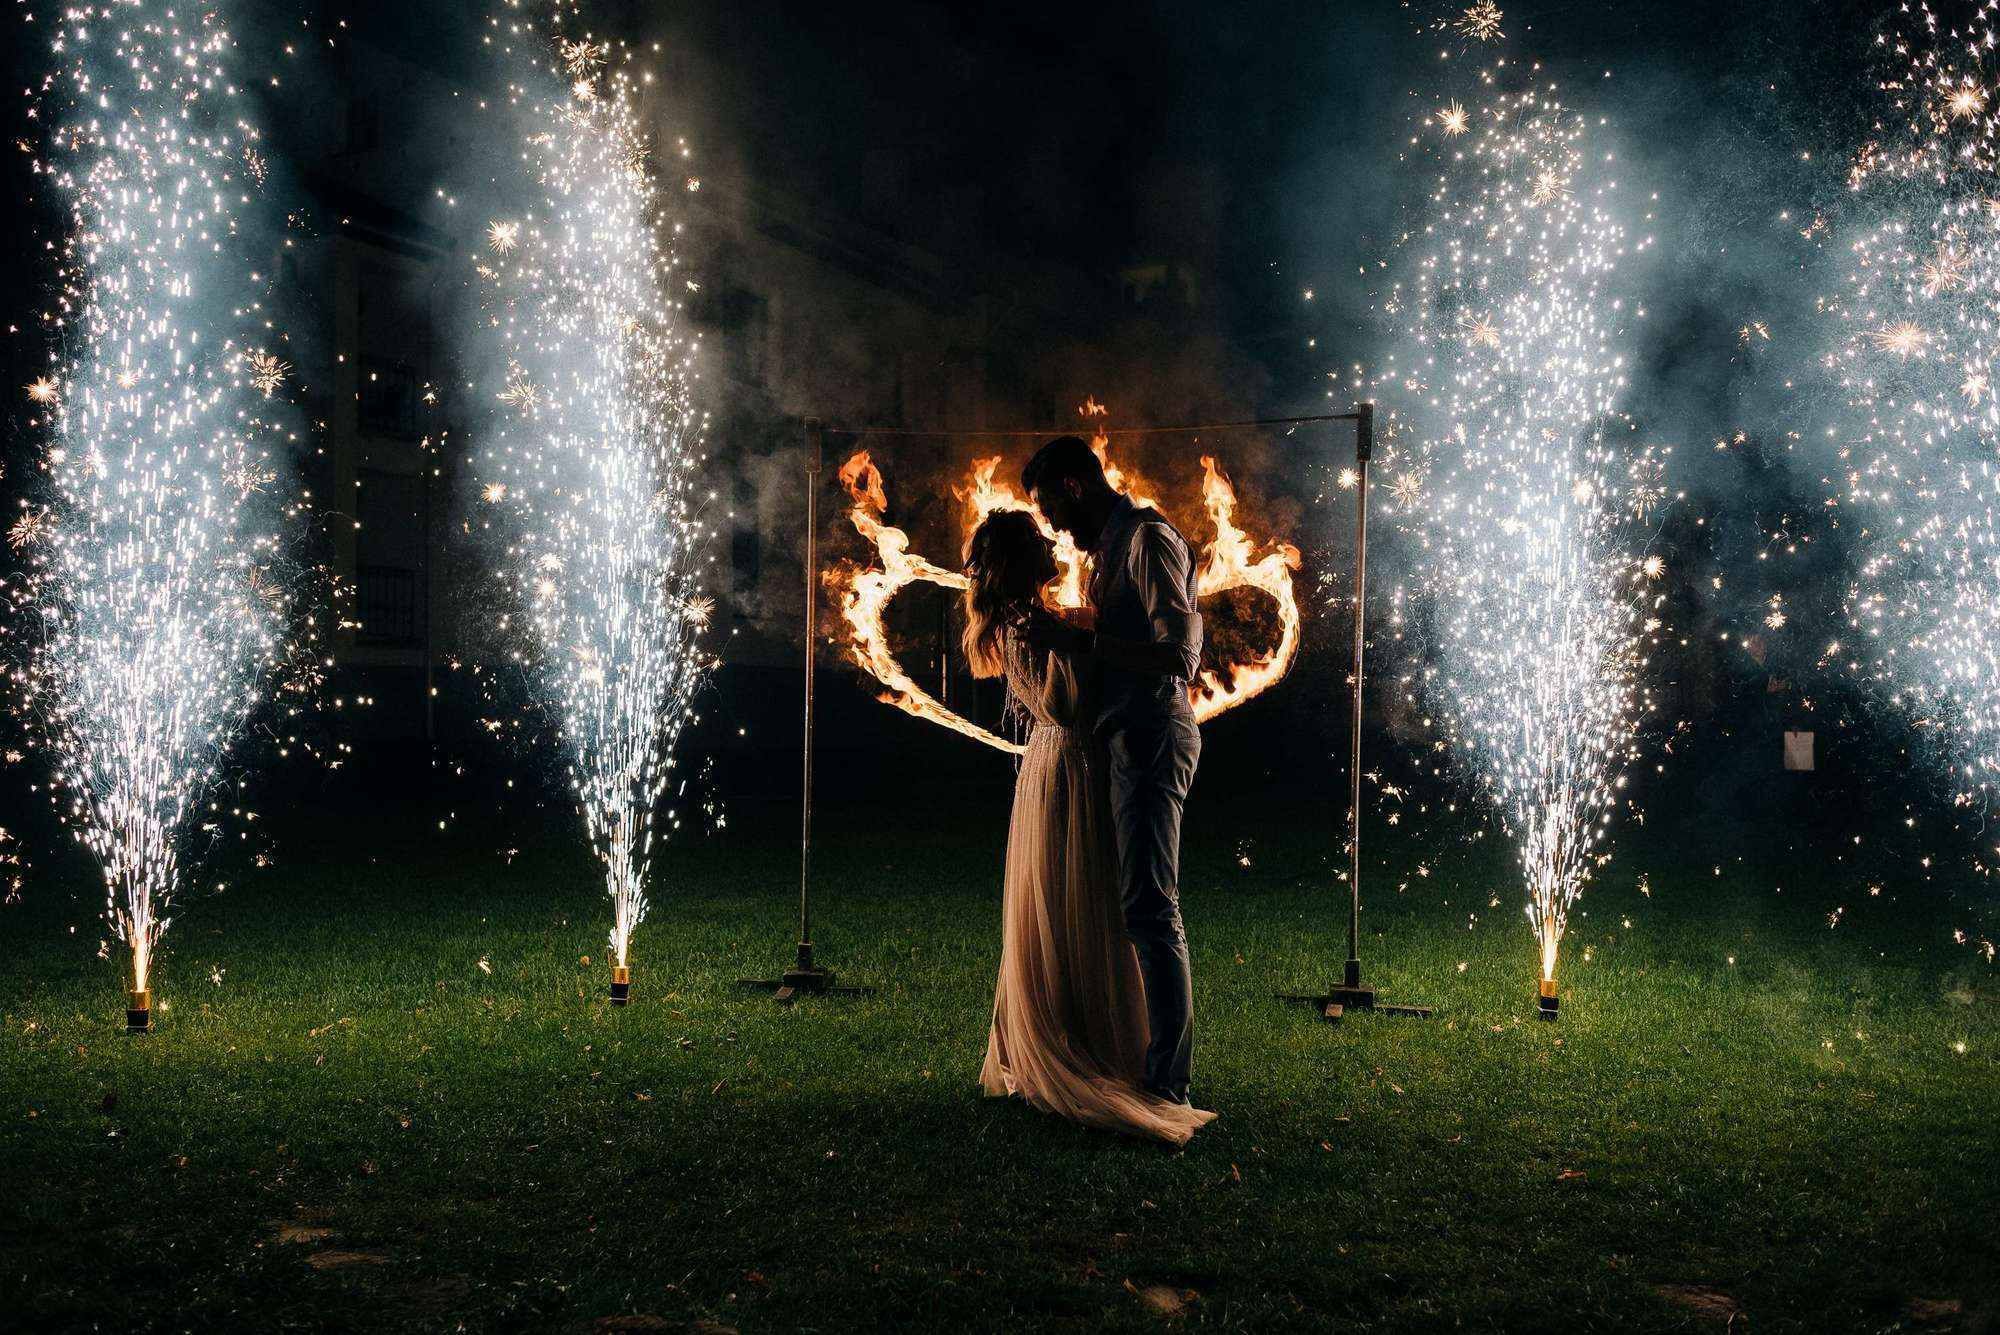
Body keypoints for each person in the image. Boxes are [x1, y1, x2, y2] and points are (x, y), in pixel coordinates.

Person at [965, 508, 1215, 1146]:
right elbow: (1066, 703)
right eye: (1038, 537)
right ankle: (1105, 1052)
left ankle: (1095, 1037)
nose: (1053, 536)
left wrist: (1083, 635)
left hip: (1057, 768)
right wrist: (1078, 643)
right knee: (1091, 900)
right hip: (1074, 766)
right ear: (1021, 562)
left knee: (1082, 901)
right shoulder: (1036, 625)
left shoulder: (1035, 619)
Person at [1019, 436, 1204, 1107]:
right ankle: (1137, 1058)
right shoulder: (1109, 550)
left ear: (1074, 486)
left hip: (1152, 736)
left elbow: (1179, 656)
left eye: (1049, 506)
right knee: (1133, 905)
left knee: (1151, 907)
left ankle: (1168, 1083)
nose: (1051, 524)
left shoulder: (1146, 540)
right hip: (1121, 738)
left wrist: (1080, 640)